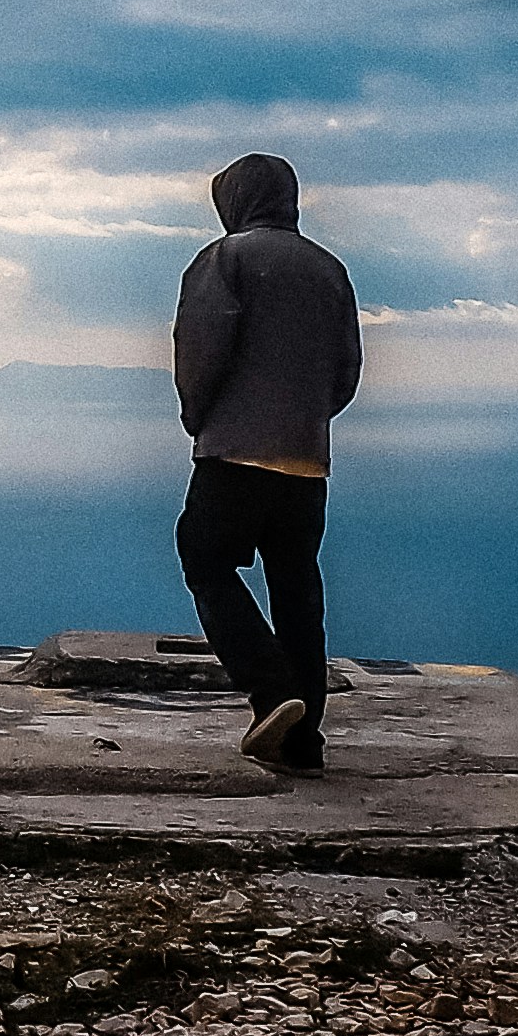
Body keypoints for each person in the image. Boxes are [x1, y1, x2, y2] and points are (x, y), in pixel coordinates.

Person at [170, 152, 362, 772]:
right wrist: (308, 419)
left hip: (235, 449)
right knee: (297, 586)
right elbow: (346, 372)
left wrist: (199, 416)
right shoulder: (330, 269)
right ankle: (304, 743)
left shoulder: (225, 259)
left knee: (204, 558)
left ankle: (271, 694)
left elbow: (201, 350)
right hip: (308, 458)